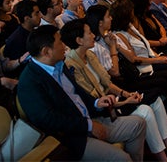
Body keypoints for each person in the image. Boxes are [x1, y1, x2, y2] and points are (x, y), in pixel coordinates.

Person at [60, 19, 167, 162]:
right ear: (79, 40)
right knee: (147, 110)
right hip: (104, 110)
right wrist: (125, 101)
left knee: (156, 100)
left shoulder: (89, 55)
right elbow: (95, 99)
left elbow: (107, 83)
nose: (92, 36)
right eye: (89, 33)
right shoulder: (72, 66)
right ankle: (164, 158)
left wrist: (125, 94)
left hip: (114, 99)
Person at [17, 25, 147, 161]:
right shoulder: (29, 82)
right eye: (60, 42)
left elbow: (76, 92)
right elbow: (49, 120)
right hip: (72, 138)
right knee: (121, 158)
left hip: (90, 119)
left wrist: (96, 102)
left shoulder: (59, 64)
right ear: (47, 51)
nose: (65, 46)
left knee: (138, 124)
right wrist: (88, 125)